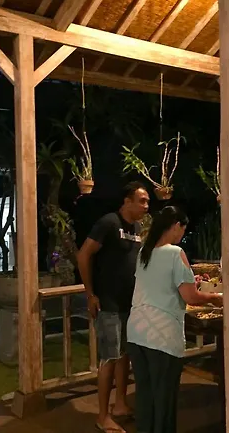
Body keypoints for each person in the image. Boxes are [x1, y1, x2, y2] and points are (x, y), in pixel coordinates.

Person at [127, 206, 223, 433]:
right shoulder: (175, 253)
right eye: (183, 229)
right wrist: (216, 298)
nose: (182, 234)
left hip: (136, 332)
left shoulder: (144, 252)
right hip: (162, 335)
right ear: (177, 226)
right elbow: (191, 297)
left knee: (145, 396)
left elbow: (156, 286)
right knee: (164, 399)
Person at [77, 181, 150, 433]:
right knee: (109, 357)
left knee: (124, 355)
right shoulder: (109, 223)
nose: (146, 206)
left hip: (129, 303)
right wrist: (90, 294)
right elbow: (83, 255)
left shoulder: (136, 228)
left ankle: (120, 405)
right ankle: (102, 416)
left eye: (148, 201)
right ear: (127, 201)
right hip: (107, 302)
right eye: (142, 201)